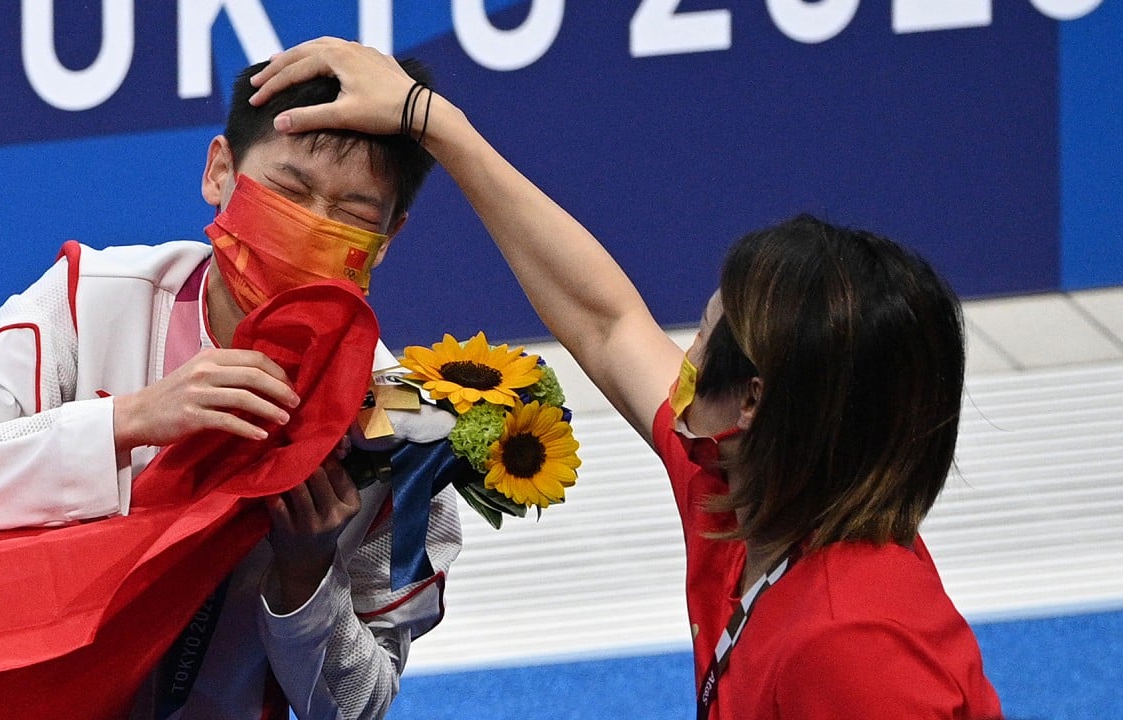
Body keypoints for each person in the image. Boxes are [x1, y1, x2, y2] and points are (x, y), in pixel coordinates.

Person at [247, 38, 1005, 719]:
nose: (680, 362)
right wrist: (432, 122)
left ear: (751, 403)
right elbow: (604, 321)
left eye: (703, 341)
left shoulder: (853, 645)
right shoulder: (740, 495)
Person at [0, 58, 462, 720]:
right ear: (220, 171)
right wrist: (126, 420)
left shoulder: (400, 426)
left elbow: (358, 706)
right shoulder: (91, 299)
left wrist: (306, 577)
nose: (310, 227)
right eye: (289, 192)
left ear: (386, 238)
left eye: (350, 212)